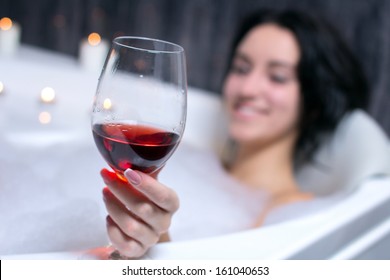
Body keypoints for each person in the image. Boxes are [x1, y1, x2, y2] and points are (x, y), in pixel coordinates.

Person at [100, 9, 368, 258]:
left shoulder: (299, 217)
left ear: (314, 104)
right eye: (241, 68)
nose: (248, 89)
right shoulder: (196, 169)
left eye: (277, 77)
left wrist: (156, 245)